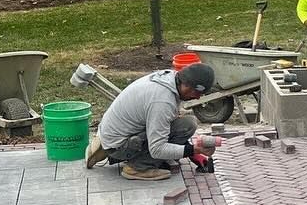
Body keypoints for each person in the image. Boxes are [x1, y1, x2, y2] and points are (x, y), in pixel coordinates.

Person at [87, 62, 219, 181]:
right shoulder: (162, 101)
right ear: (187, 85)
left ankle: (106, 146)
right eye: (196, 93)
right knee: (186, 126)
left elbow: (168, 123)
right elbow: (157, 149)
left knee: (185, 123)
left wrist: (190, 153)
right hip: (119, 145)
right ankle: (137, 167)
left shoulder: (170, 78)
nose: (196, 98)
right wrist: (193, 150)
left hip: (113, 133)